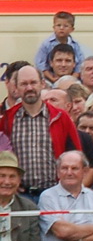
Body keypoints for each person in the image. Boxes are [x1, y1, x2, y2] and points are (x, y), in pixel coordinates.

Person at [0, 65, 82, 200]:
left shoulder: (61, 117)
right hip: (19, 195)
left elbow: (76, 154)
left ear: (42, 84)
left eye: (33, 82)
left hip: (55, 193)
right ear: (16, 88)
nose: (29, 88)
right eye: (24, 84)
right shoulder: (8, 119)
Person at [34, 10, 90, 76]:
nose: (61, 28)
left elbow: (80, 64)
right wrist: (52, 79)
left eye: (65, 26)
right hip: (50, 77)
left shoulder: (75, 45)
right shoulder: (47, 44)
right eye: (58, 25)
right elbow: (40, 64)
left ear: (72, 29)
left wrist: (73, 78)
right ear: (54, 27)